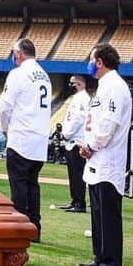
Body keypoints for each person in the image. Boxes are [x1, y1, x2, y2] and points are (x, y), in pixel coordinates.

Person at [79, 44, 132, 266]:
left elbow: (108, 124)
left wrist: (92, 145)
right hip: (97, 159)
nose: (90, 65)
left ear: (99, 61)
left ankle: (110, 264)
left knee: (108, 215)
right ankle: (99, 257)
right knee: (98, 213)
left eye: (92, 60)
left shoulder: (115, 87)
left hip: (107, 159)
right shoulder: (105, 86)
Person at [0, 38, 51, 242]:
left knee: (19, 185)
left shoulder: (17, 74)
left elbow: (5, 106)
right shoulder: (44, 75)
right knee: (32, 185)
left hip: (21, 136)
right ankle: (34, 227)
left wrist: (4, 128)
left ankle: (20, 229)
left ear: (19, 53)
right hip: (39, 139)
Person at [59, 75, 90, 213]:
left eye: (72, 83)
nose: (70, 86)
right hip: (70, 141)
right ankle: (74, 200)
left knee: (77, 174)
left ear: (79, 84)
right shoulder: (77, 98)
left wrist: (67, 133)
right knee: (72, 174)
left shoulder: (83, 99)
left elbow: (78, 119)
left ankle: (80, 203)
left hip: (76, 141)